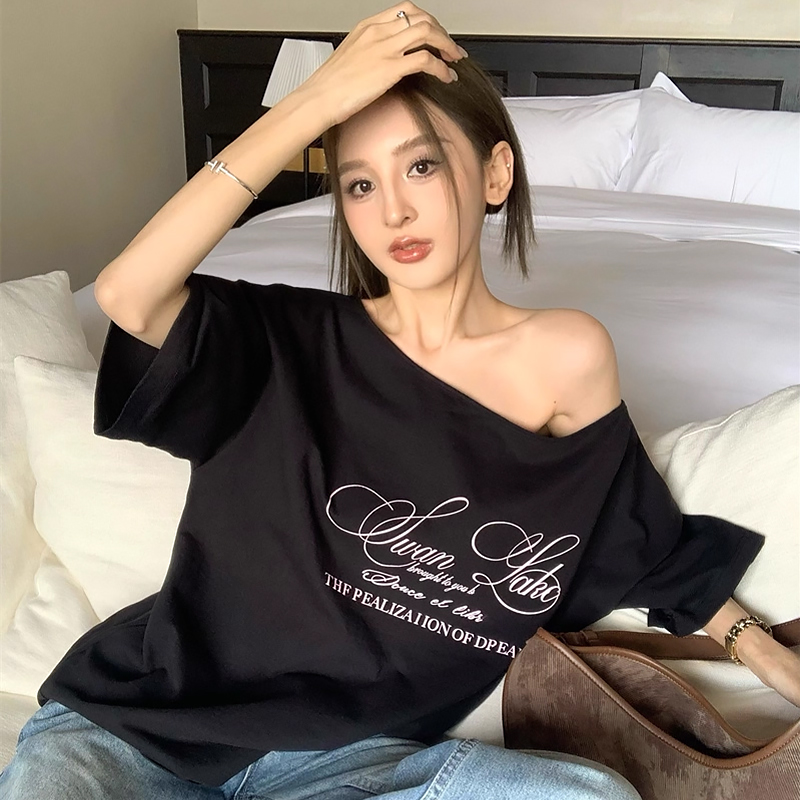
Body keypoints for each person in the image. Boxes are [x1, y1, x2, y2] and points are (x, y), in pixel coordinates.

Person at [2, 3, 798, 798]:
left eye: (422, 167)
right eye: (359, 183)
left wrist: (759, 648)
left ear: (495, 174)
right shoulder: (284, 338)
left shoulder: (567, 356)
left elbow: (636, 533)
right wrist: (314, 102)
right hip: (140, 727)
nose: (394, 212)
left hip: (347, 759)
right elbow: (129, 295)